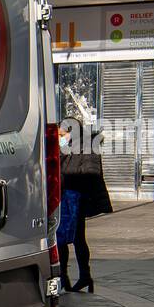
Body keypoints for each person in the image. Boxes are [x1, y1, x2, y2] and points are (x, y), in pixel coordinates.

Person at [58, 123, 111, 293]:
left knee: (74, 237)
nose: (60, 138)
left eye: (62, 135)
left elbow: (90, 173)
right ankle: (66, 276)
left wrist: (67, 177)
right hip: (65, 197)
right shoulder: (67, 148)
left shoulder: (88, 147)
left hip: (77, 198)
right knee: (65, 237)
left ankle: (82, 276)